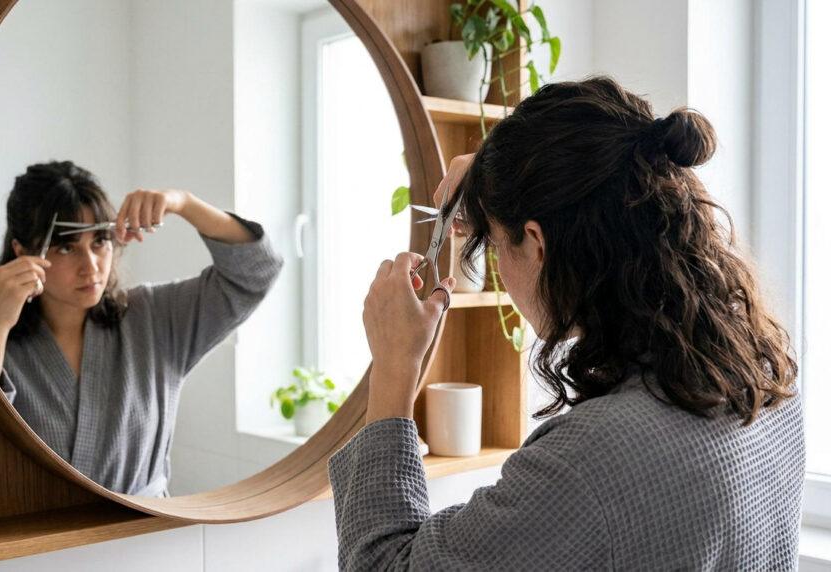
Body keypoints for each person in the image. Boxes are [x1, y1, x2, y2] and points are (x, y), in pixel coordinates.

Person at [330, 77, 803, 570]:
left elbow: (383, 564)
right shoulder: (766, 377)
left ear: (537, 243)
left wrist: (396, 365)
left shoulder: (592, 460)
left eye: (496, 244)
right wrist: (500, 186)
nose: (499, 263)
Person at [0, 160, 283, 497]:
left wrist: (183, 203)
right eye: (67, 247)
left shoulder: (154, 318)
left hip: (148, 525)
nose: (91, 266)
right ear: (22, 252)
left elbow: (256, 271)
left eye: (99, 242)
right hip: (43, 530)